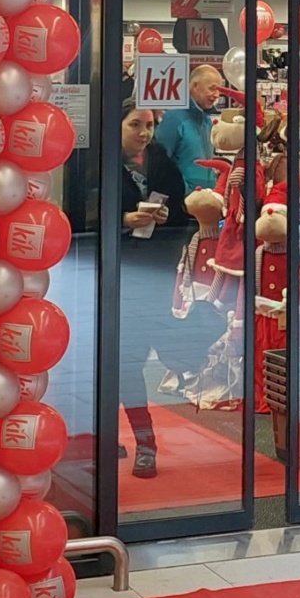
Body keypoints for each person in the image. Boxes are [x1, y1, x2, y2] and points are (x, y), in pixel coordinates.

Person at [116, 103, 193, 477]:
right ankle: (107, 436)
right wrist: (122, 220)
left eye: (149, 125)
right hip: (107, 277)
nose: (143, 133)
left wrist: (167, 218)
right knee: (103, 364)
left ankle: (145, 444)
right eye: (135, 124)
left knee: (128, 363)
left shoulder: (163, 164)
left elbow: (183, 218)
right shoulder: (95, 164)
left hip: (150, 277)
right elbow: (78, 216)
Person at [151, 61, 229, 193]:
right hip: (182, 201)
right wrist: (184, 192)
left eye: (219, 91)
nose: (216, 95)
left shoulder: (207, 122)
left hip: (205, 198)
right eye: (212, 88)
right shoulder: (173, 118)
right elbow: (160, 164)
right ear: (195, 86)